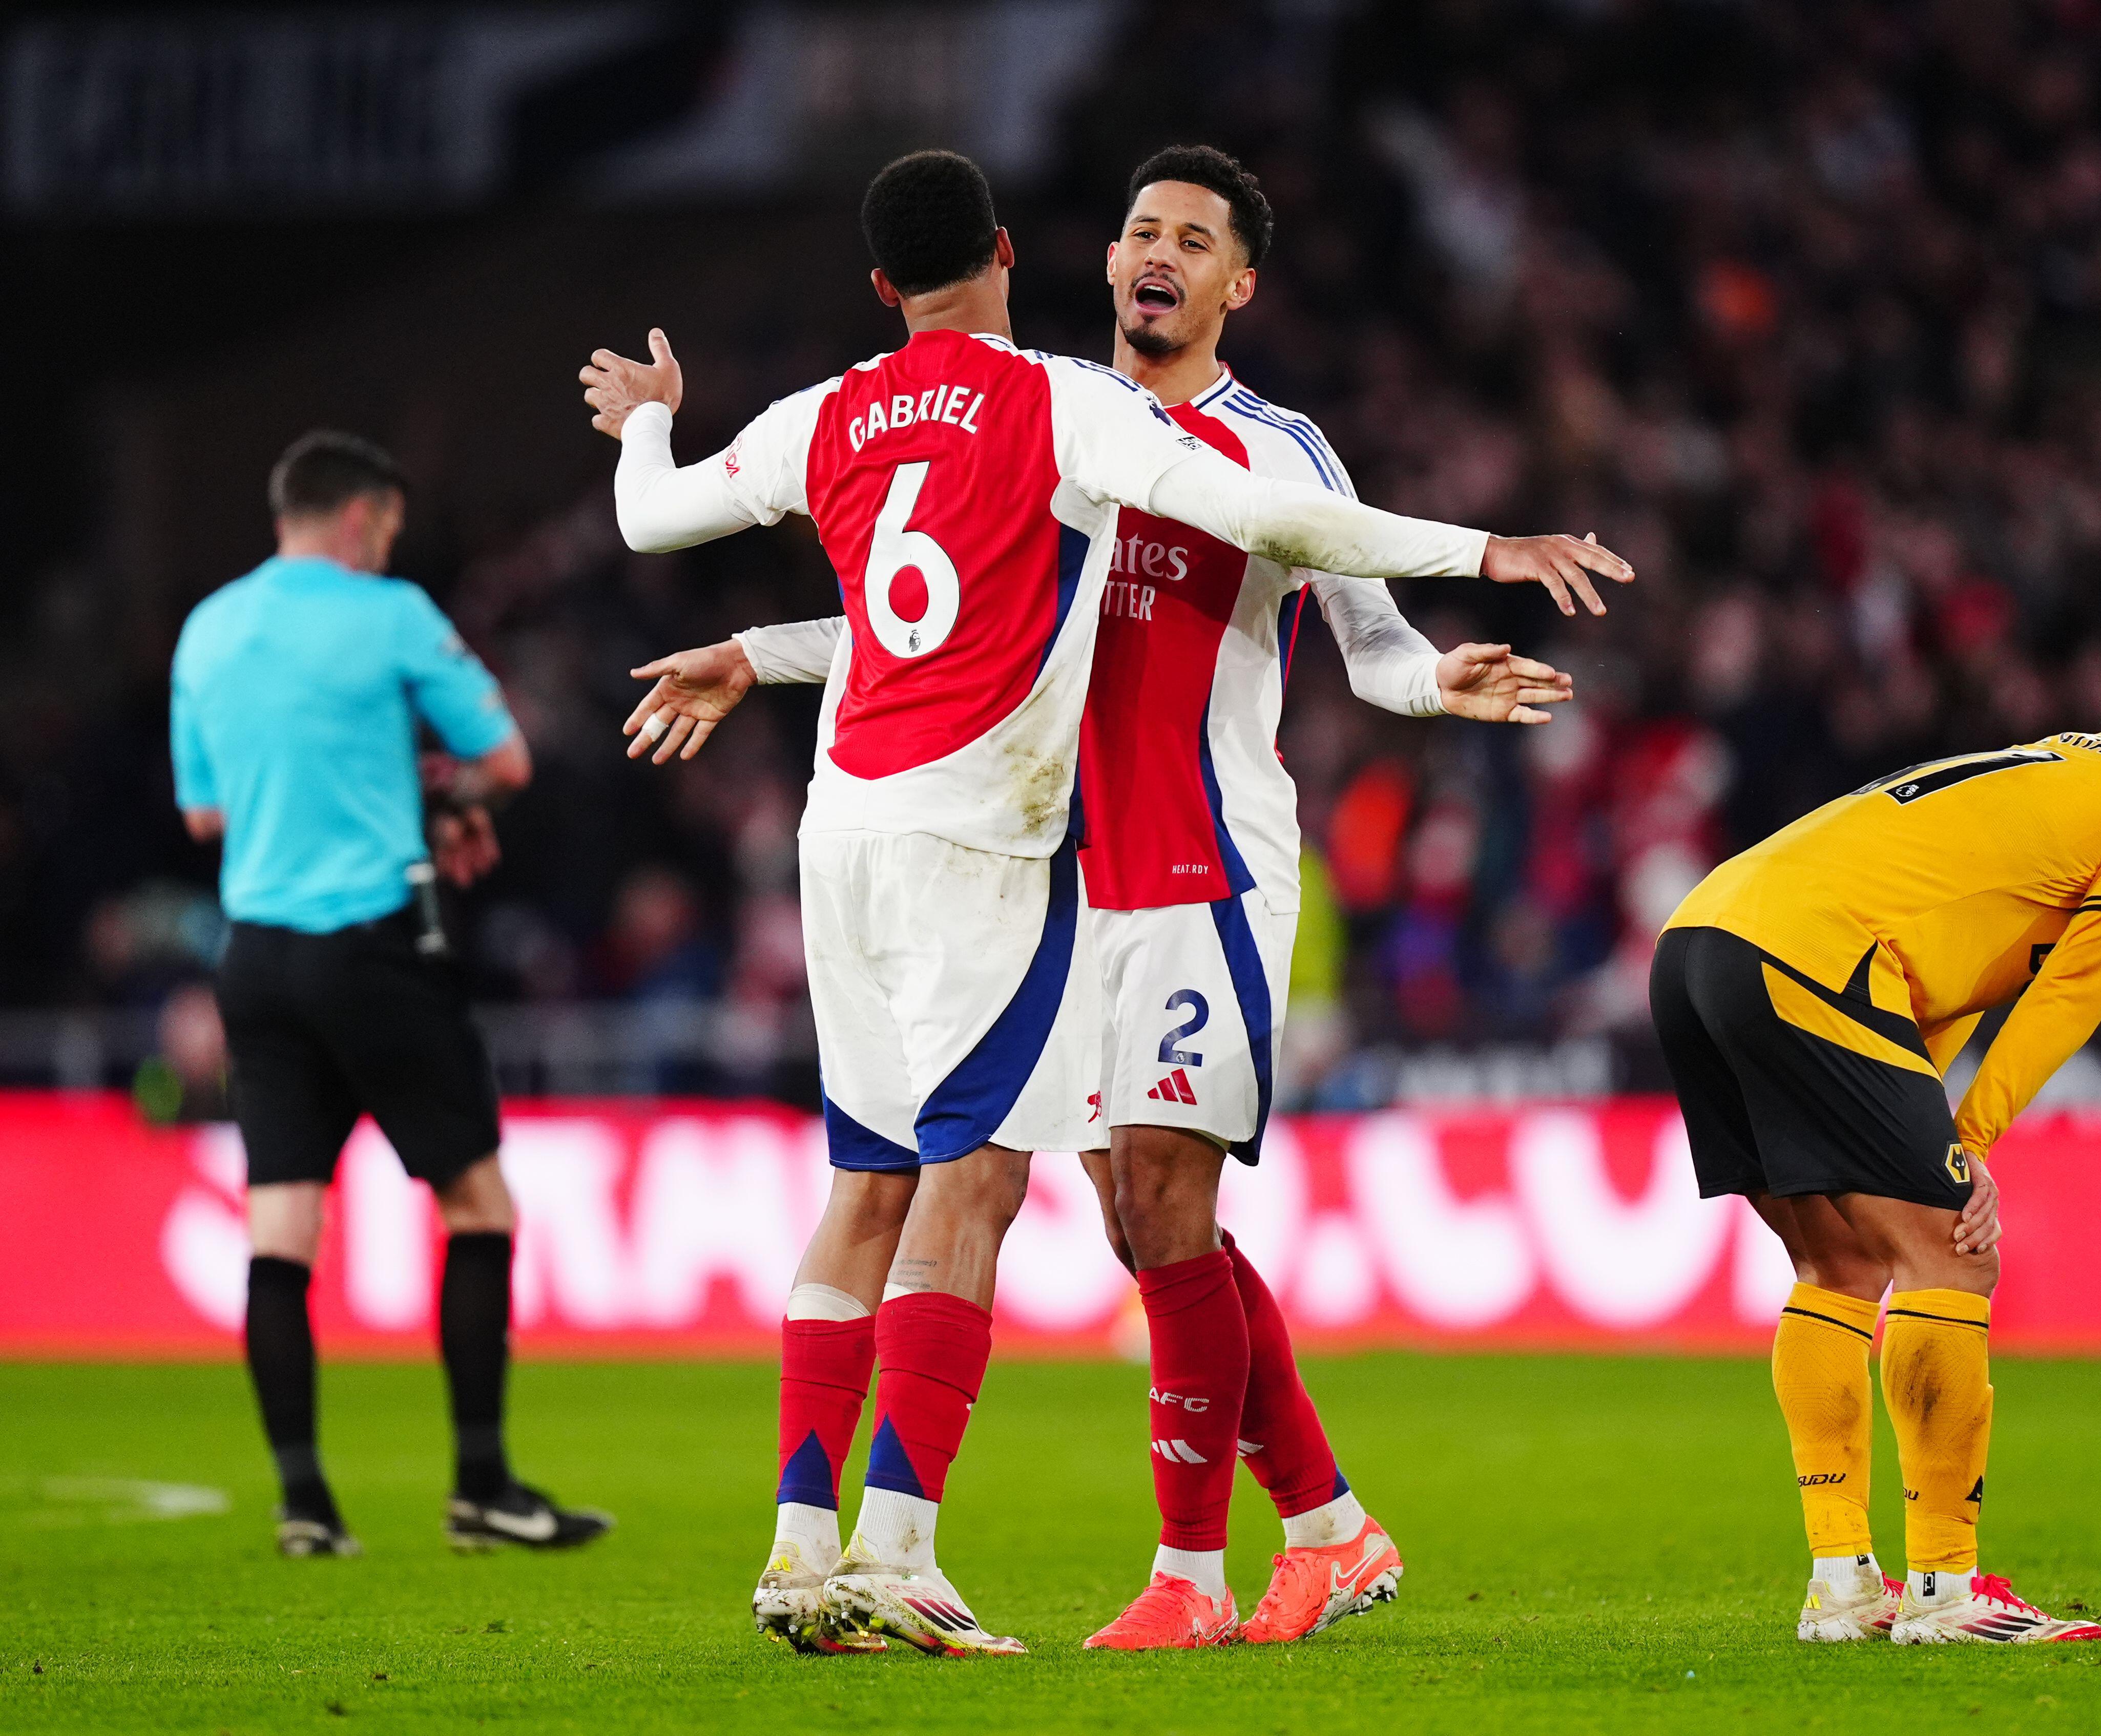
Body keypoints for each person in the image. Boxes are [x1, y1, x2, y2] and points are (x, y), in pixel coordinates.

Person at [581, 149, 1631, 1656]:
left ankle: (1185, 1570)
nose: (1156, 253)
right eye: (1140, 228)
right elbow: (936, 605)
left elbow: (1370, 638)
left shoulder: (1272, 443)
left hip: (1206, 861)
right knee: (1146, 1226)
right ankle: (1331, 1524)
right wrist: (761, 649)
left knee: (1145, 1201)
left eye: (1192, 239)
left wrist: (1436, 673)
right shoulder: (1072, 415)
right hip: (1061, 869)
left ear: (1235, 284)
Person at [1651, 659, 2101, 1644]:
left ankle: (1842, 1581)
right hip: (1806, 953)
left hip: (1701, 939)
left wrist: (1930, 1122)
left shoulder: (2075, 764)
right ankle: (1944, 1592)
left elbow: (1929, 982)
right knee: (1953, 1254)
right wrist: (1972, 1135)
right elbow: (2083, 977)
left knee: (1840, 1262)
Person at [170, 430, 611, 1558]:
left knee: (281, 1230)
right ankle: (481, 1487)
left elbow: (206, 819)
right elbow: (505, 762)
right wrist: (440, 799)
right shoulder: (393, 614)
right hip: (371, 946)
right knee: (476, 1209)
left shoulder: (207, 630)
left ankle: (306, 1505)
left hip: (255, 958)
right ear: (364, 519)